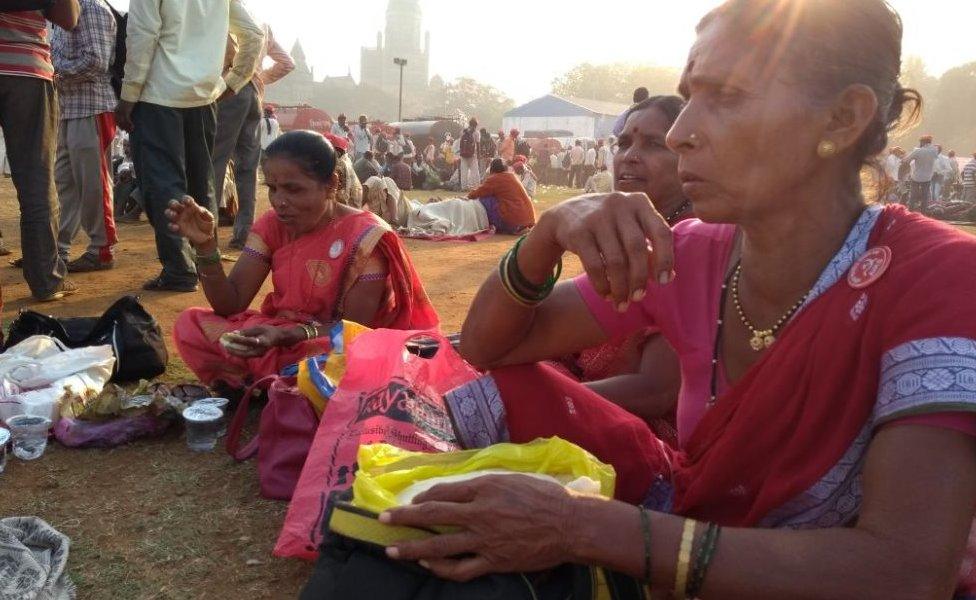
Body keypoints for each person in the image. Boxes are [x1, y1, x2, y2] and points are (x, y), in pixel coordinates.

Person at [377, 1, 976, 598]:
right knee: (509, 391)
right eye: (689, 95)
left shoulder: (934, 275)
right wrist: (545, 236)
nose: (681, 132)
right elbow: (490, 347)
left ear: (843, 119)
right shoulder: (690, 253)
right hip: (695, 525)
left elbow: (905, 571)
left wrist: (582, 526)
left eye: (728, 96)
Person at [171, 131, 438, 390]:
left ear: (331, 185)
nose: (279, 201)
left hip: (331, 342)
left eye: (293, 189)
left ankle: (271, 382)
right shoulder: (273, 226)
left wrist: (288, 335)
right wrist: (206, 247)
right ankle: (278, 384)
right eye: (273, 189)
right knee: (190, 324)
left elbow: (356, 331)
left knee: (343, 357)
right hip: (282, 336)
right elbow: (230, 304)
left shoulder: (365, 237)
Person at [117, 0, 263, 292]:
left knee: (162, 184)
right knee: (202, 182)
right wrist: (232, 82)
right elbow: (253, 35)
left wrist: (128, 96)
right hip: (204, 97)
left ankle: (179, 270)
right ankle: (205, 262)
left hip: (157, 95)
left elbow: (143, 36)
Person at [0, 0, 80, 302]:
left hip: (27, 71)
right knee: (37, 182)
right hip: (27, 72)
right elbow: (69, 17)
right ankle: (46, 279)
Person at [51, 0, 118, 273]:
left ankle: (101, 250)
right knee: (64, 184)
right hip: (70, 109)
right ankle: (56, 250)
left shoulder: (93, 8)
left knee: (93, 184)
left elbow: (96, 61)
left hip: (92, 108)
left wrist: (56, 69)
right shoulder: (62, 8)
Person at [214, 24, 294, 251]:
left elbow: (222, 56)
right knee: (247, 169)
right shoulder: (263, 25)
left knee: (215, 164)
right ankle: (243, 234)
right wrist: (259, 78)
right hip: (255, 97)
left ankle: (205, 238)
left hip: (229, 90)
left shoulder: (226, 16)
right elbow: (288, 63)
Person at [466, 158, 535, 235]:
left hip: (515, 221)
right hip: (528, 220)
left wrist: (467, 197)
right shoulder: (512, 176)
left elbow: (477, 193)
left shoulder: (495, 178)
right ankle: (518, 226)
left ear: (492, 169)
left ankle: (510, 227)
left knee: (485, 200)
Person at [902, 135, 938, 214]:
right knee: (925, 197)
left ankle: (910, 212)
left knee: (913, 196)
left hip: (916, 177)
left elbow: (907, 160)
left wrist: (903, 158)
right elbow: (936, 153)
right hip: (928, 177)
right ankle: (923, 213)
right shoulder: (933, 151)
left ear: (922, 142)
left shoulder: (918, 151)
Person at [458, 117, 481, 191]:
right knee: (475, 172)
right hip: (472, 155)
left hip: (463, 155)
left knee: (464, 171)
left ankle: (464, 187)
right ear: (476, 125)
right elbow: (478, 145)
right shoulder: (476, 133)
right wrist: (478, 156)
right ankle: (477, 187)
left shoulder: (463, 132)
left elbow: (461, 144)